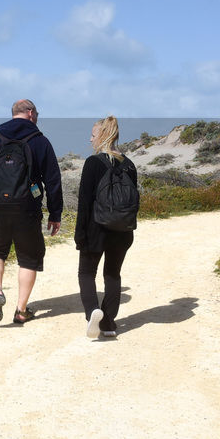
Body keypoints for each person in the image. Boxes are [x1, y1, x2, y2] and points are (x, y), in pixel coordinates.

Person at [0, 99, 63, 325]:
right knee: (29, 258)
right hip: (27, 208)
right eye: (37, 113)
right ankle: (21, 310)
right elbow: (53, 180)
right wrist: (55, 213)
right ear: (30, 113)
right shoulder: (40, 141)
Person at [75, 116, 136, 339]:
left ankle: (93, 312)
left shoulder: (93, 163)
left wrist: (79, 234)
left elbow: (84, 202)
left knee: (86, 273)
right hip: (122, 231)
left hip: (96, 229)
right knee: (113, 274)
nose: (89, 139)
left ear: (102, 136)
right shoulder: (129, 164)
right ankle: (109, 323)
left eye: (92, 135)